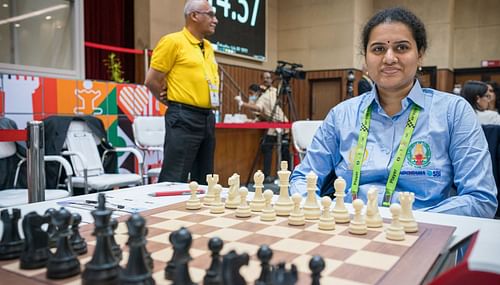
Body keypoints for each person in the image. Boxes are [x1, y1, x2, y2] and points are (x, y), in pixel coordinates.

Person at [290, 7, 497, 218]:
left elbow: (480, 198)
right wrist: (313, 209)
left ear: (420, 54)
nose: (389, 58)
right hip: (348, 229)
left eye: (401, 47)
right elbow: (303, 177)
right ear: (366, 58)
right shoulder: (342, 115)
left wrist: (408, 223)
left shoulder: (453, 112)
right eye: (378, 49)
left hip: (424, 233)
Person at [144, 0, 219, 184]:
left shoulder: (208, 47)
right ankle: (164, 213)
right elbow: (151, 80)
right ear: (194, 15)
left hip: (208, 117)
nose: (215, 20)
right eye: (210, 14)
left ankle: (201, 213)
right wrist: (172, 103)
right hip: (183, 117)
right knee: (174, 176)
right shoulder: (173, 41)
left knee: (205, 177)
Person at [235, 72, 291, 183]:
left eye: (269, 78)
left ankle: (282, 174)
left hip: (281, 123)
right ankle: (269, 175)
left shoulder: (270, 93)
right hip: (274, 124)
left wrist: (242, 104)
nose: (267, 80)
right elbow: (262, 113)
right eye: (265, 78)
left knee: (281, 150)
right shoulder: (267, 94)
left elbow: (258, 108)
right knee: (268, 148)